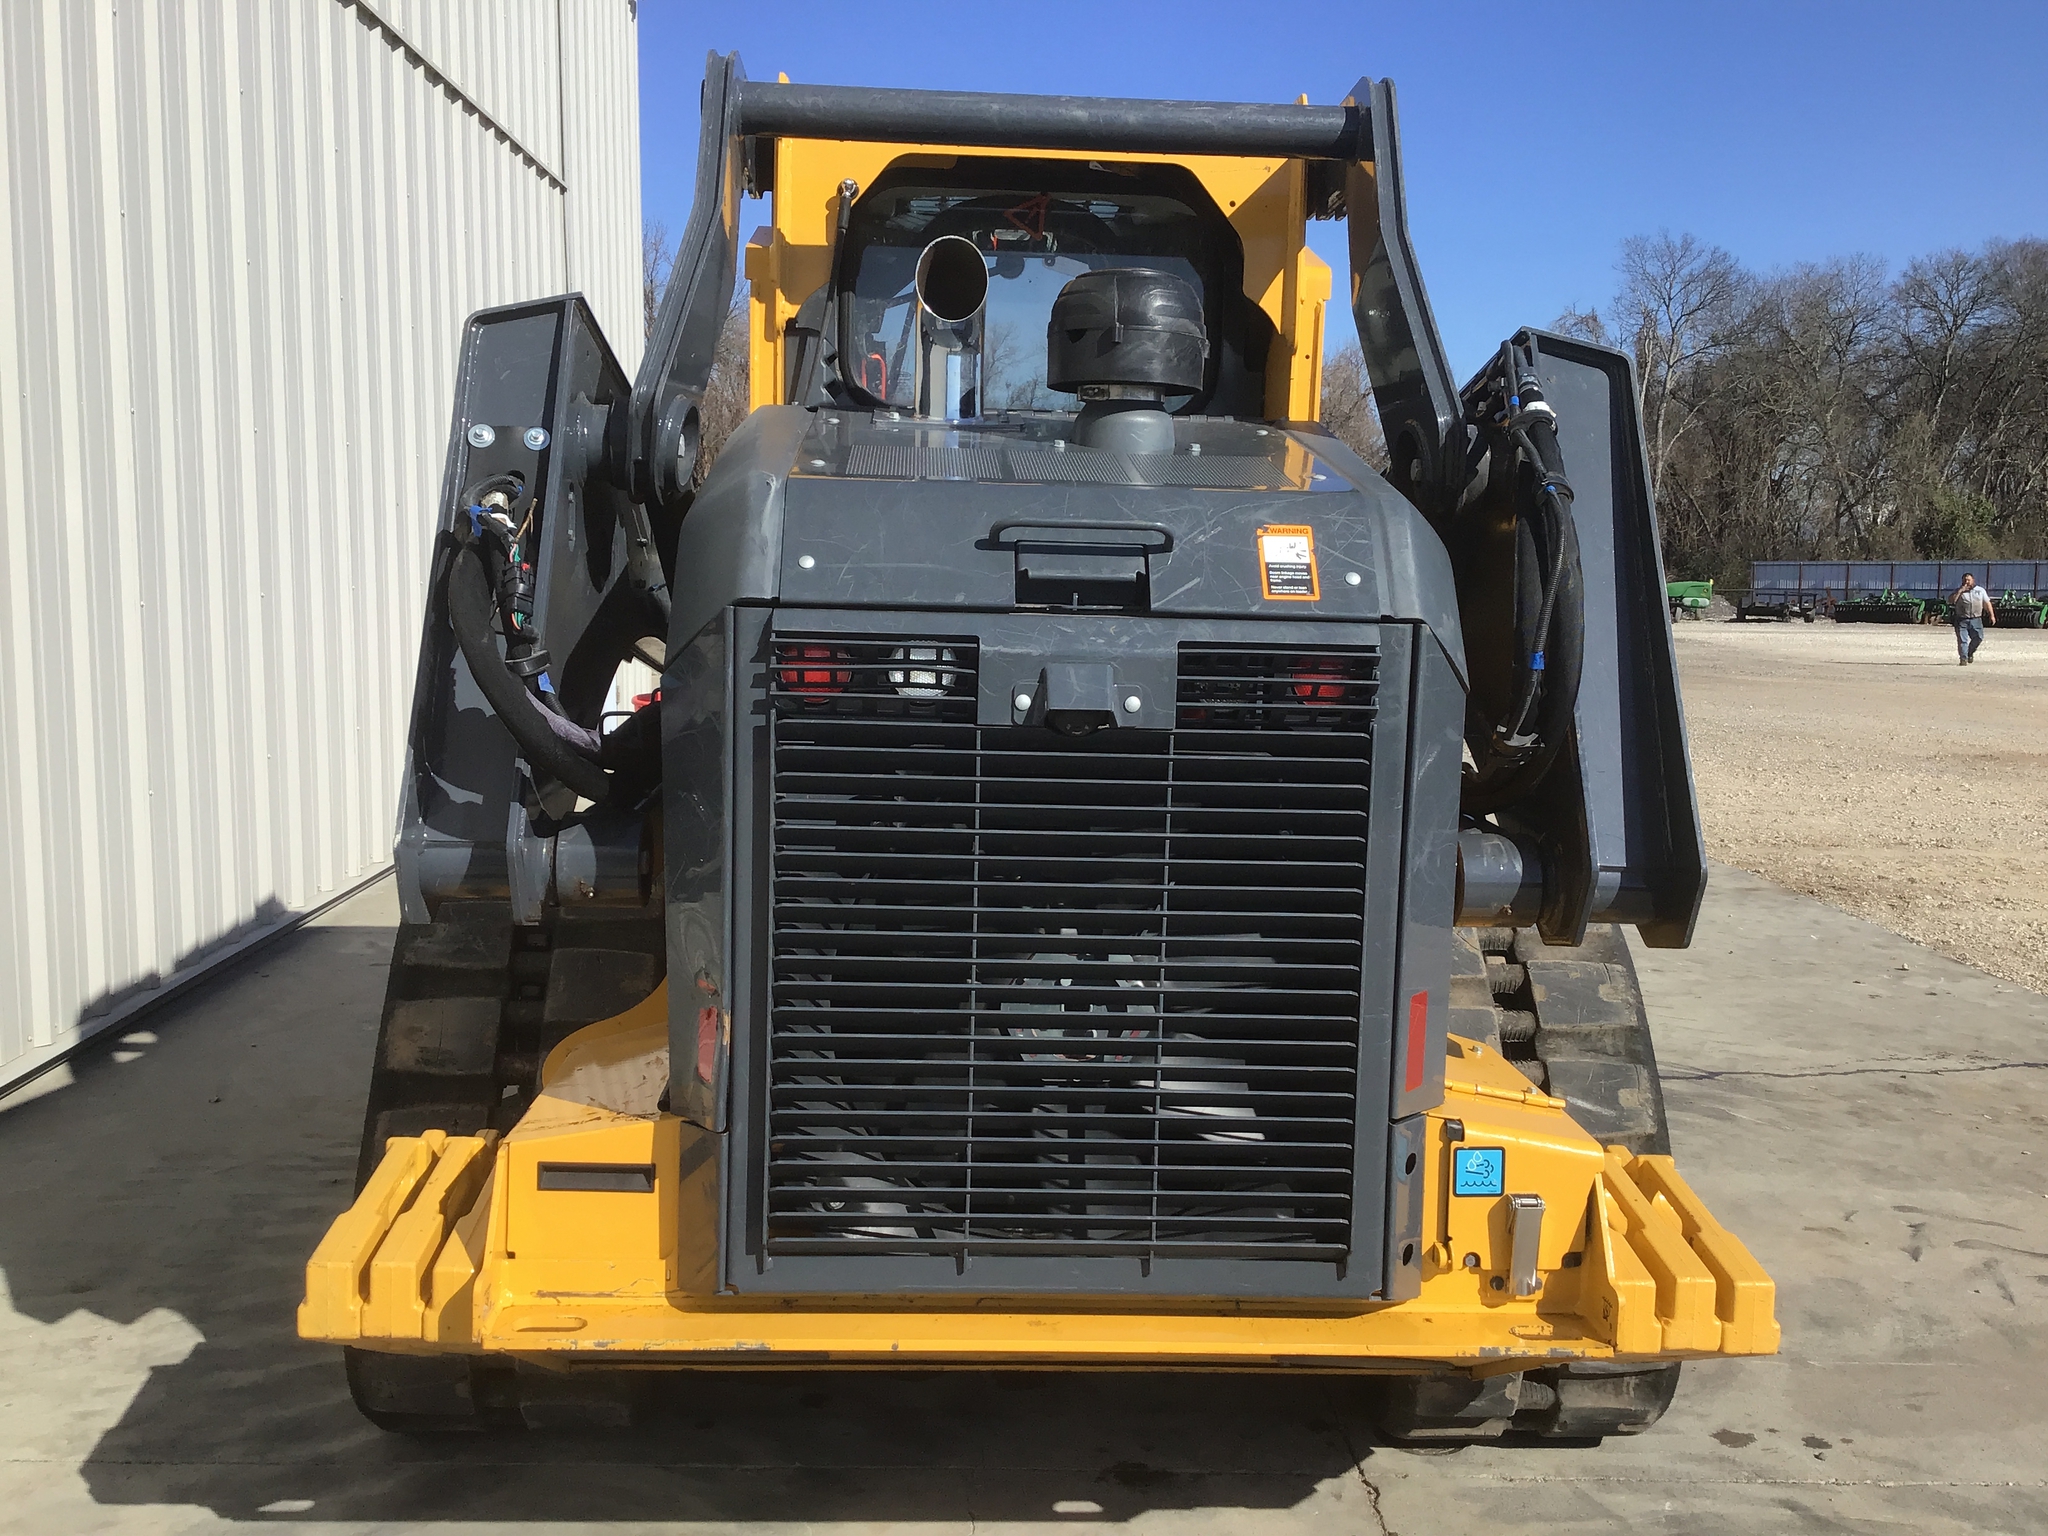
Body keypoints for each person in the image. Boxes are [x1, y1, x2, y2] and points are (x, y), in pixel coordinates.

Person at [1950, 573, 1996, 665]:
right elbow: (1952, 601)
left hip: (1976, 619)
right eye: (1965, 580)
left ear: (1973, 580)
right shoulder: (1957, 591)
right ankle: (1963, 659)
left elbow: (1987, 603)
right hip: (1962, 619)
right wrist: (1960, 591)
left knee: (1979, 637)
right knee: (1963, 640)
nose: (1966, 582)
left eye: (1968, 580)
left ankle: (1969, 653)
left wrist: (1992, 615)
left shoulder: (1980, 590)